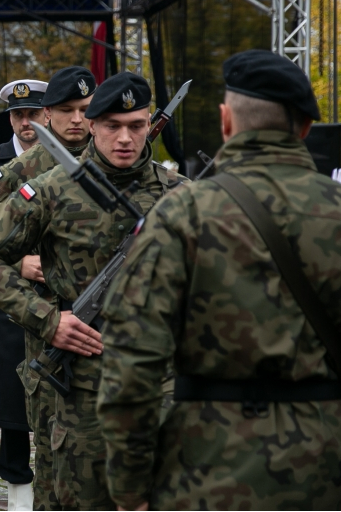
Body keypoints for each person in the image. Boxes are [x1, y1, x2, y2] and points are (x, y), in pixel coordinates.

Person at [97, 50, 341, 510]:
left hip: (206, 473)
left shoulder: (182, 214)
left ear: (226, 121)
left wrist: (130, 490)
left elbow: (131, 365)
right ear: (306, 127)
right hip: (326, 471)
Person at [0, 72, 184, 511]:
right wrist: (47, 319)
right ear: (95, 126)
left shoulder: (182, 196)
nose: (125, 138)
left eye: (136, 126)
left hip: (159, 385)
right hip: (79, 387)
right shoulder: (51, 189)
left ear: (150, 126)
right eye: (112, 126)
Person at [0, 66, 95, 511]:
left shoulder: (118, 159)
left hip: (100, 316)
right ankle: (20, 495)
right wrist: (17, 266)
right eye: (64, 111)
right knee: (23, 410)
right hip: (31, 312)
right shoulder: (19, 167)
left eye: (85, 111)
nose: (76, 120)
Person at [0, 80, 49, 182]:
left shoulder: (63, 160)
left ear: (47, 116)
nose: (25, 123)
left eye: (33, 114)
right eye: (18, 114)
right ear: (10, 119)